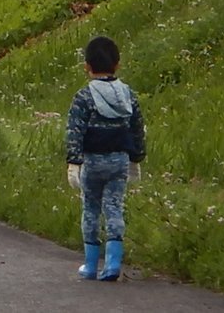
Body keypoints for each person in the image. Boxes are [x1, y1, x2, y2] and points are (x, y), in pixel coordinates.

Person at [66, 35, 146, 281]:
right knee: (114, 207)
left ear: (87, 66)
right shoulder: (127, 94)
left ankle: (91, 265)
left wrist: (74, 162)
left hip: (93, 161)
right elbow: (137, 128)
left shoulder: (84, 97)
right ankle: (113, 263)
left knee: (90, 208)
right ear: (117, 65)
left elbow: (75, 130)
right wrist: (136, 157)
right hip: (120, 160)